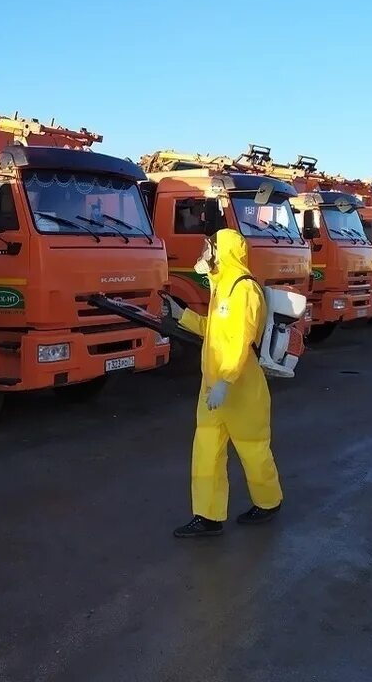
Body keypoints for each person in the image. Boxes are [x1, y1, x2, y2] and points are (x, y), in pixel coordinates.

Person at [162, 228, 283, 537]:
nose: (204, 254)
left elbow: (240, 341)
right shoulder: (222, 287)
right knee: (206, 451)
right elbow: (216, 331)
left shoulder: (244, 289)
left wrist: (226, 381)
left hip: (240, 387)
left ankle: (268, 502)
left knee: (253, 449)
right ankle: (208, 516)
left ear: (223, 252)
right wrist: (182, 315)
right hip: (214, 388)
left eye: (209, 248)